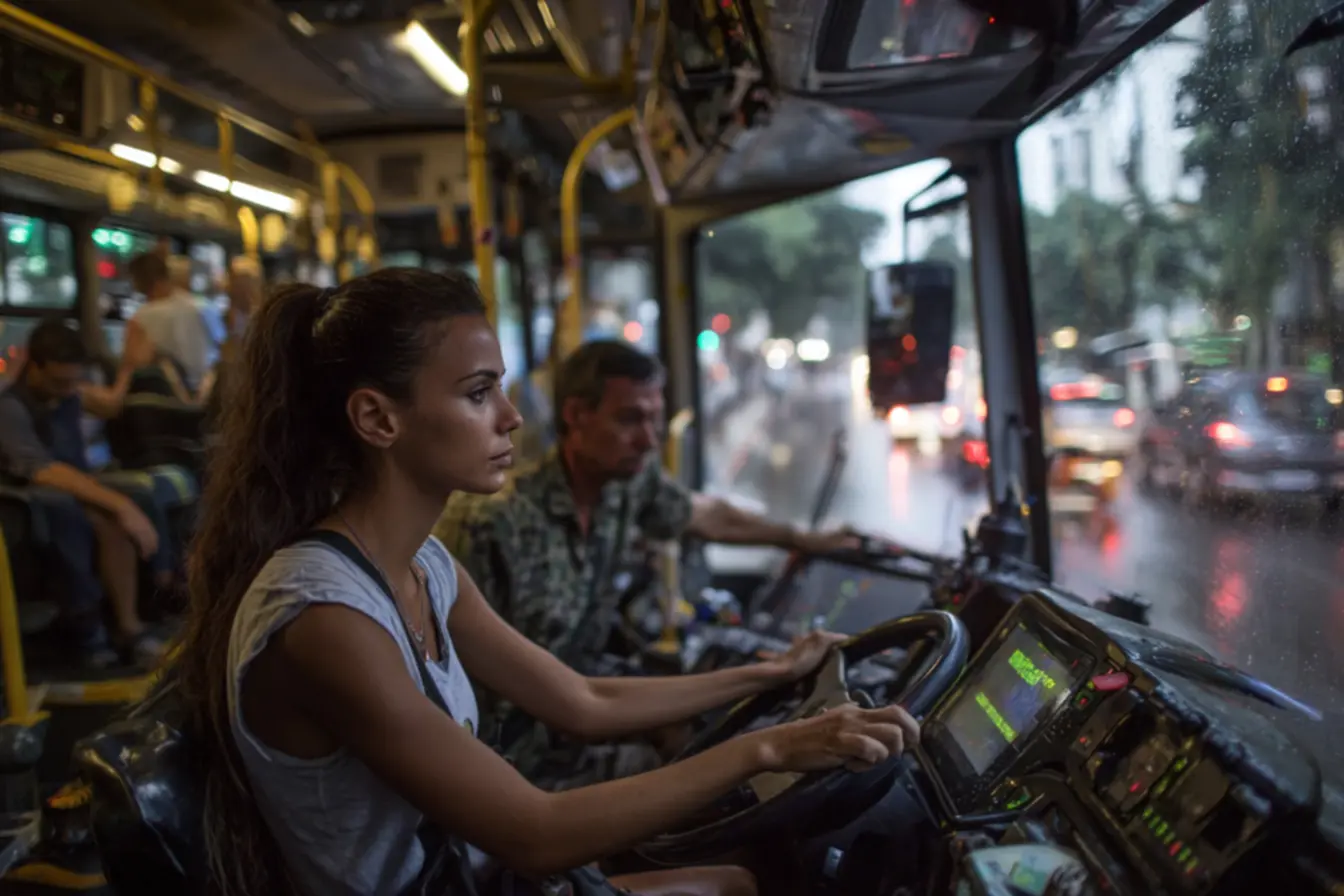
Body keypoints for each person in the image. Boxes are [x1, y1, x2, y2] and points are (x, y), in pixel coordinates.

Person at [171, 268, 917, 896]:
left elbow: (583, 701)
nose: (511, 418)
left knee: (734, 882)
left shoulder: (426, 567)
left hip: (474, 873)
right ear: (377, 418)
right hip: (474, 870)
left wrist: (770, 674)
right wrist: (772, 749)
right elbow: (534, 832)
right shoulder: (324, 614)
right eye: (477, 393)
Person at [434, 341, 863, 766]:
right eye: (630, 419)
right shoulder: (492, 522)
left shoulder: (626, 482)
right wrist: (774, 673)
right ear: (577, 416)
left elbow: (704, 515)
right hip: (510, 753)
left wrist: (801, 538)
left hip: (582, 702)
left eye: (655, 420)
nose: (649, 440)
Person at [0, 320, 167, 667]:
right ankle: (87, 627)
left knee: (137, 496)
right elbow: (42, 470)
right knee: (85, 510)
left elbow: (110, 406)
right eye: (59, 381)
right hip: (30, 495)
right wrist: (118, 504)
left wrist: (128, 367)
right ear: (34, 367)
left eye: (73, 381)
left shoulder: (70, 392)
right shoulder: (10, 407)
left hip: (72, 484)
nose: (68, 390)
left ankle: (140, 615)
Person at [122, 252, 214, 397]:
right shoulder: (198, 307)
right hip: (203, 394)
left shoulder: (143, 317)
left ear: (139, 283)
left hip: (165, 397)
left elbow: (133, 365)